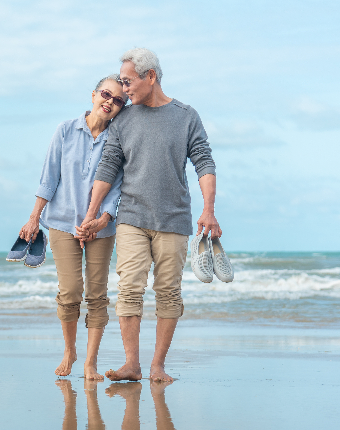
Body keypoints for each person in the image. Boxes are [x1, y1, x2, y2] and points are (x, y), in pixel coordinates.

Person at [77, 48, 220, 382]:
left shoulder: (186, 116)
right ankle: (132, 364)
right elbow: (108, 165)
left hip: (174, 220)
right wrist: (91, 213)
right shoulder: (123, 120)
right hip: (131, 217)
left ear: (150, 76)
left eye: (128, 82)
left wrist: (209, 210)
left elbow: (204, 162)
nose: (125, 90)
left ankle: (157, 366)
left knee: (168, 292)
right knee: (129, 290)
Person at [19, 75, 127, 380]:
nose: (110, 102)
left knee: (97, 294)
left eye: (118, 100)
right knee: (69, 292)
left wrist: (102, 219)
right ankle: (69, 351)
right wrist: (33, 217)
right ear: (93, 95)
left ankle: (90, 362)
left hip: (101, 228)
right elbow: (48, 178)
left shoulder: (118, 139)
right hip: (63, 223)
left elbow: (117, 187)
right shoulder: (65, 130)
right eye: (106, 94)